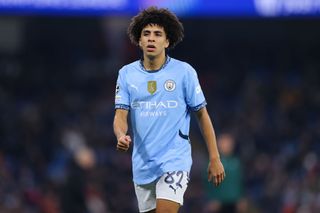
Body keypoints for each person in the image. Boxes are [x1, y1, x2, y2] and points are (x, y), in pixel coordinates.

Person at [113, 6, 225, 213]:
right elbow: (120, 115)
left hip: (175, 160)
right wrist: (121, 135)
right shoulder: (126, 74)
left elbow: (202, 115)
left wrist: (215, 157)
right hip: (142, 165)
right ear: (139, 40)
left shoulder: (184, 72)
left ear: (167, 41)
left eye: (158, 34)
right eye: (146, 34)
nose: (151, 39)